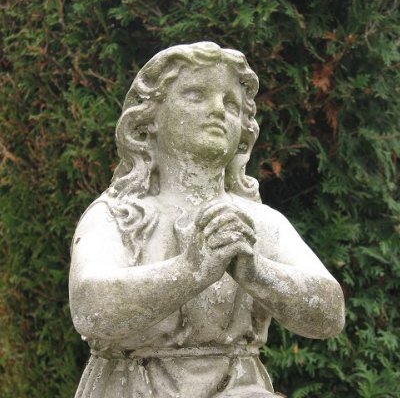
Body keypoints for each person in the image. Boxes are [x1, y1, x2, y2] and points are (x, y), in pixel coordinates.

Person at [69, 42, 345, 398]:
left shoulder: (260, 223)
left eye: (231, 104)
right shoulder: (119, 214)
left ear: (243, 129)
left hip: (240, 387)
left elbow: (329, 314)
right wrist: (191, 271)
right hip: (133, 386)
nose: (217, 109)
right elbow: (90, 307)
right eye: (196, 95)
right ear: (149, 121)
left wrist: (257, 272)